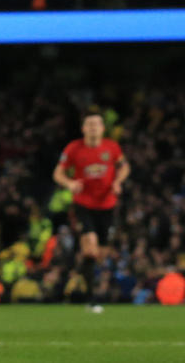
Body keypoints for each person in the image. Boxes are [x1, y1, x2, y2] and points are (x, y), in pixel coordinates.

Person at [53, 111, 130, 314]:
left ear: (103, 128)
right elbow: (58, 173)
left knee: (99, 255)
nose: (94, 127)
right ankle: (91, 299)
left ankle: (76, 277)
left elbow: (124, 167)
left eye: (97, 123)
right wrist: (69, 183)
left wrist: (117, 182)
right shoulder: (74, 148)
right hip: (83, 205)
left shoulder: (112, 147)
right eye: (90, 124)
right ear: (83, 128)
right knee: (90, 249)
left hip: (107, 206)